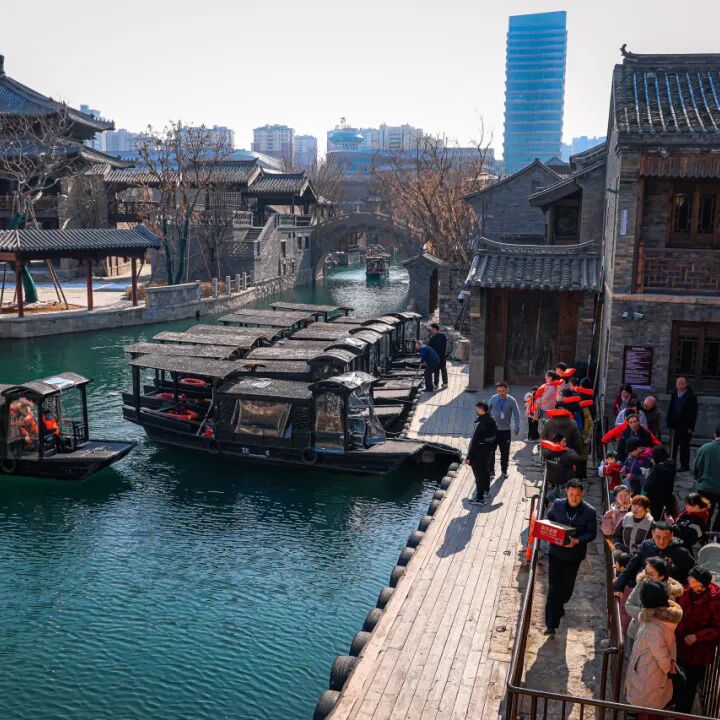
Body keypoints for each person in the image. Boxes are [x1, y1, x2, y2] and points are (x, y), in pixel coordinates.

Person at [543, 480, 597, 635]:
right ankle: (551, 625)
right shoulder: (557, 504)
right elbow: (549, 519)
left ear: (582, 494)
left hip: (574, 555)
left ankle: (560, 605)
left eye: (577, 495)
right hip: (555, 553)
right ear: (566, 492)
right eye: (571, 494)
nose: (574, 498)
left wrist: (577, 541)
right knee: (553, 588)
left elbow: (592, 533)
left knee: (567, 588)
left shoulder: (590, 511)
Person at [624, 580, 683, 717]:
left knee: (647, 713)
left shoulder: (653, 626)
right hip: (652, 675)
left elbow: (662, 657)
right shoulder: (663, 619)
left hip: (648, 677)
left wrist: (669, 668)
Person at [674, 567, 720, 713]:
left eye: (692, 579)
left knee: (690, 685)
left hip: (700, 652)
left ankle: (682, 714)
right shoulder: (685, 592)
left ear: (701, 584)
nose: (689, 580)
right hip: (680, 646)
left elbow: (717, 628)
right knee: (677, 680)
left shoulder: (715, 600)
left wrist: (697, 637)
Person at [614, 522, 695, 593]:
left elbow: (693, 574)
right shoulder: (646, 546)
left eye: (665, 537)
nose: (661, 541)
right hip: (645, 591)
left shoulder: (681, 553)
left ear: (671, 535)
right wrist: (619, 587)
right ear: (652, 534)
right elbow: (630, 568)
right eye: (658, 537)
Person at [625, 556, 684, 651]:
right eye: (646, 572)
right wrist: (643, 613)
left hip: (656, 638)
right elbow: (628, 605)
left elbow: (668, 616)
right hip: (635, 631)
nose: (647, 577)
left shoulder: (670, 592)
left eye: (651, 574)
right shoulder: (642, 582)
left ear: (661, 576)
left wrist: (648, 615)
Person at [465, 401, 497, 505]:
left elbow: (473, 441)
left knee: (478, 475)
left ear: (481, 409)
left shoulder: (479, 423)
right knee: (485, 470)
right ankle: (486, 491)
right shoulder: (492, 420)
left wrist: (469, 457)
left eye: (477, 408)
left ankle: (479, 498)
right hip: (488, 450)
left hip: (478, 451)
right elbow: (495, 436)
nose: (476, 410)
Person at [488, 382, 520, 479]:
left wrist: (517, 426)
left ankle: (504, 471)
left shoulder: (512, 400)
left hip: (505, 431)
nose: (501, 393)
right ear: (496, 391)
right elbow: (487, 410)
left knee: (505, 453)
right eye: (499, 391)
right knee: (491, 452)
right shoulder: (493, 398)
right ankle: (491, 472)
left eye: (503, 391)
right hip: (493, 431)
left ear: (507, 390)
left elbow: (516, 414)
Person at [667, 376, 698, 473]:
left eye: (682, 384)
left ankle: (685, 465)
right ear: (676, 385)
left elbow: (694, 413)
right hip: (675, 424)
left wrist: (691, 427)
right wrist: (669, 422)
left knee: (684, 446)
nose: (680, 386)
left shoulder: (691, 396)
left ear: (686, 384)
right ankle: (672, 463)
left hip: (685, 425)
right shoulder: (674, 394)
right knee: (673, 445)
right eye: (678, 384)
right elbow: (671, 409)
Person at [693, 424, 720, 532]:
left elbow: (696, 468)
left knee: (704, 515)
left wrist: (698, 479)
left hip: (705, 488)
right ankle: (715, 533)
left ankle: (703, 535)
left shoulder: (704, 448)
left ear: (715, 434)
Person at [641, 445, 677, 521]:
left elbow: (647, 486)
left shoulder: (657, 469)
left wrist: (652, 469)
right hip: (667, 498)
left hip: (656, 501)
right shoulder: (671, 464)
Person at [427, 323, 448, 389]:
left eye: (432, 329)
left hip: (436, 357)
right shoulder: (443, 335)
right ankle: (445, 383)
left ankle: (436, 384)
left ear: (434, 329)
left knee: (436, 370)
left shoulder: (433, 337)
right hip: (443, 356)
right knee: (443, 370)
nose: (431, 330)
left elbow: (430, 348)